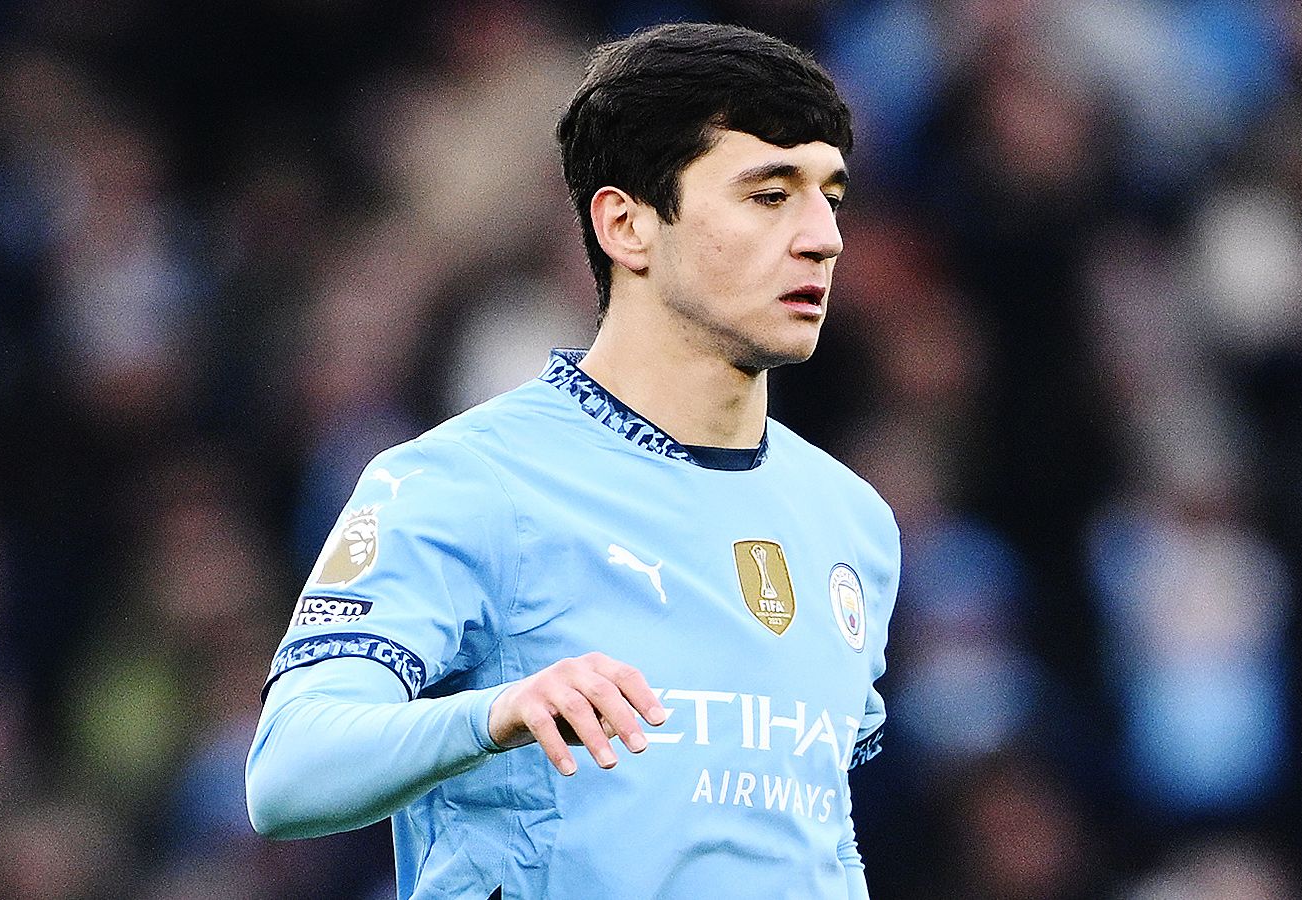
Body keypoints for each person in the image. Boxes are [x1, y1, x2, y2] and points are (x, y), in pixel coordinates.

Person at [245, 22, 900, 900]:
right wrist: (493, 715)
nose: (823, 237)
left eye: (831, 196)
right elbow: (287, 773)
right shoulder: (468, 482)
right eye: (769, 195)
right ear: (627, 225)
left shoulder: (853, 522)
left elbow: (817, 836)